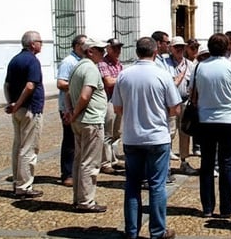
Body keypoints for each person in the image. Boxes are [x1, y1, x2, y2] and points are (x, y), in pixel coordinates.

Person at [112, 36, 180, 239]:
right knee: (157, 185)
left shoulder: (124, 75)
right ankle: (157, 231)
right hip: (157, 137)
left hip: (132, 137)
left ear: (137, 52)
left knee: (132, 185)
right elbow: (175, 108)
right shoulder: (163, 75)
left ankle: (131, 231)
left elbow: (117, 108)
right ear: (155, 52)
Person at [194, 33, 231, 219]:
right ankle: (226, 207)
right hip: (228, 120)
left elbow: (194, 95)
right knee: (227, 163)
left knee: (207, 163)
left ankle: (207, 207)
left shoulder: (200, 67)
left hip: (205, 120)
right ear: (226, 48)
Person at [68, 39, 109, 213]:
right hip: (91, 120)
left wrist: (71, 113)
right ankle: (86, 201)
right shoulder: (91, 69)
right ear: (90, 51)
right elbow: (85, 96)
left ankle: (79, 198)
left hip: (80, 120)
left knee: (79, 160)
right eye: (100, 50)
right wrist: (74, 113)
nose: (103, 53)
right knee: (90, 162)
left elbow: (67, 93)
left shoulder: (77, 67)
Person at [4, 30, 45, 199]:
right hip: (30, 109)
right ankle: (24, 186)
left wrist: (12, 104)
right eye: (40, 41)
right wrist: (19, 103)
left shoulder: (14, 60)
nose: (41, 44)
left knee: (18, 146)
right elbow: (30, 86)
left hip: (18, 110)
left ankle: (17, 182)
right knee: (28, 148)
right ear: (33, 44)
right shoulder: (32, 61)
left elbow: (6, 85)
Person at [56, 34, 86, 187]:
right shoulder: (69, 62)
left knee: (78, 141)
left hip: (78, 105)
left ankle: (77, 171)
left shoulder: (82, 61)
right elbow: (61, 83)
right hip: (67, 107)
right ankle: (67, 174)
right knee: (69, 141)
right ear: (77, 46)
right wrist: (79, 85)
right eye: (85, 44)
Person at [166, 36, 198, 175]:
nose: (179, 49)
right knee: (169, 133)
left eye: (181, 46)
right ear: (171, 49)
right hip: (170, 103)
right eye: (176, 47)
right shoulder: (165, 64)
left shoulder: (190, 65)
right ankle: (166, 164)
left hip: (185, 102)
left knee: (185, 133)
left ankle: (184, 162)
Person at [99, 37, 124, 174]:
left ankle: (113, 159)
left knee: (117, 133)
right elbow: (108, 82)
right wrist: (123, 78)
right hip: (108, 100)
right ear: (108, 49)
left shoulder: (118, 64)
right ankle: (105, 162)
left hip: (118, 99)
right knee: (107, 133)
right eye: (115, 48)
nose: (118, 50)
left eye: (119, 48)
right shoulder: (103, 63)